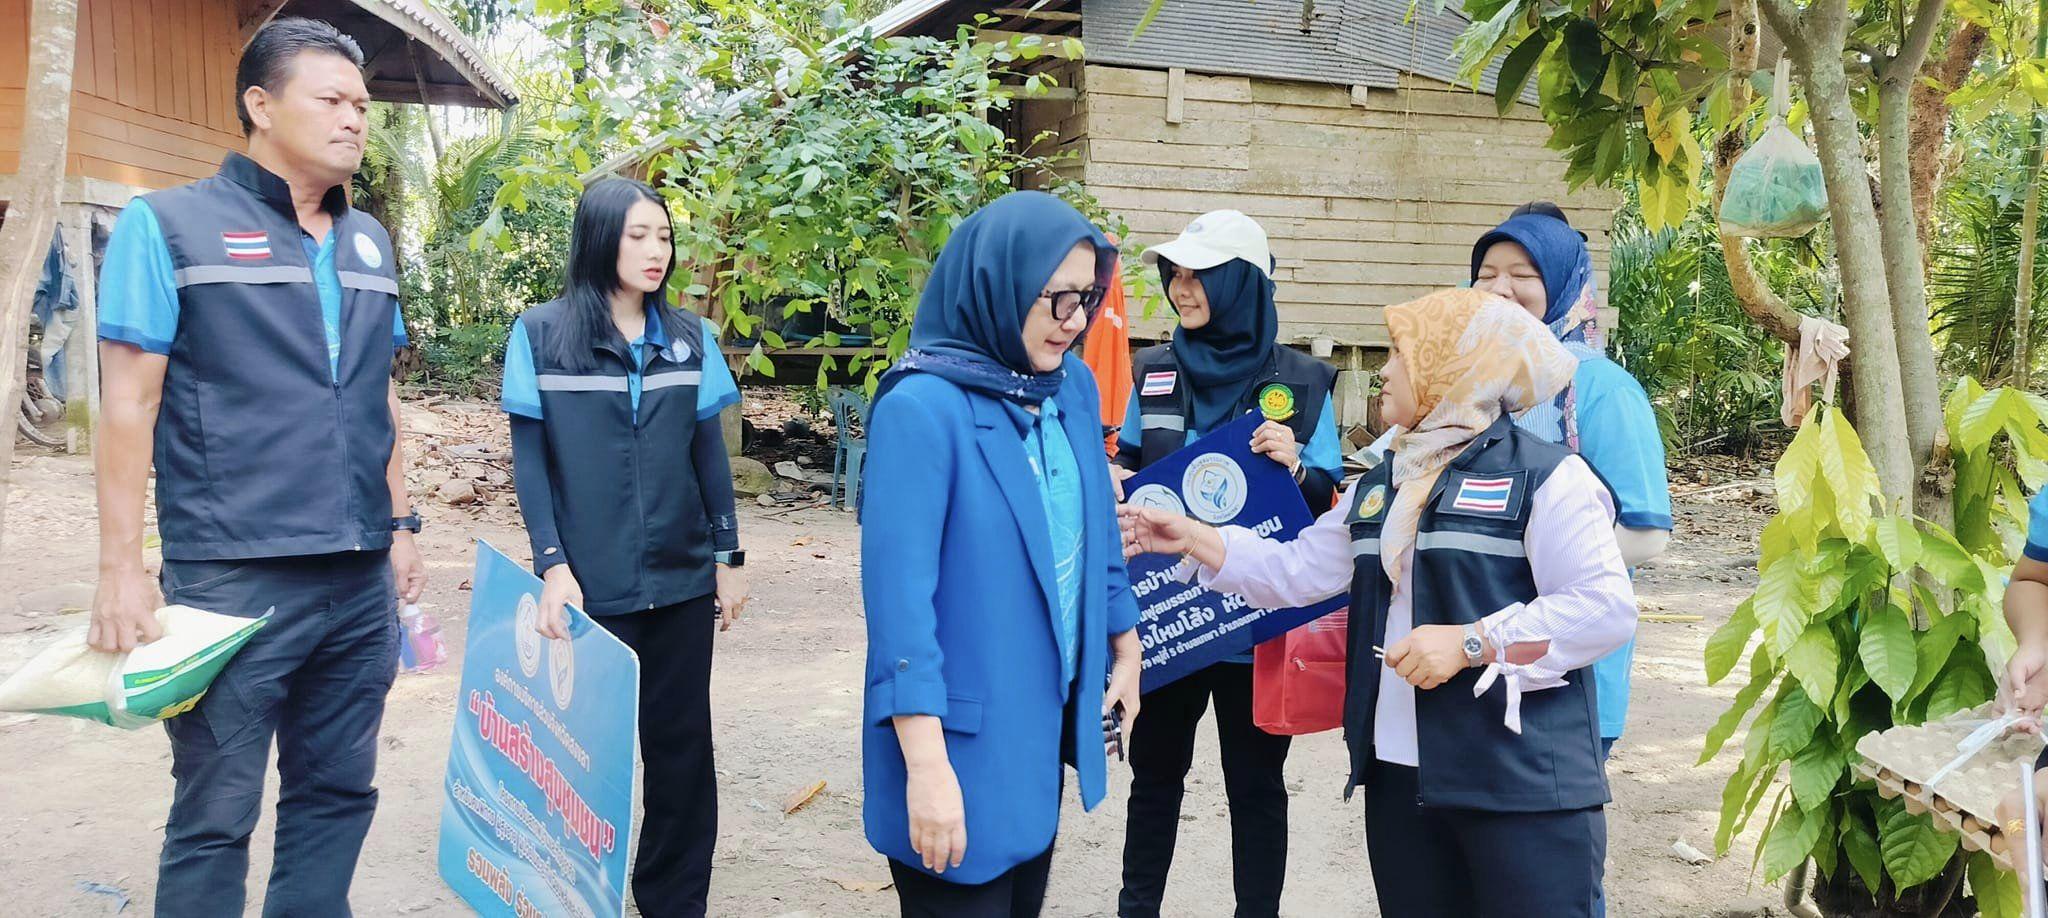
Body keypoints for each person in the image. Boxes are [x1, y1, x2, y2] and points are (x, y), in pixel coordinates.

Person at [1121, 288, 1638, 918]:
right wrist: (1192, 537)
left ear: (1453, 368)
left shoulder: (1549, 477)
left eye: (1399, 354)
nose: (1384, 371)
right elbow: (1296, 571)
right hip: (1399, 775)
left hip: (1520, 782)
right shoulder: (1384, 481)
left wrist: (1474, 642)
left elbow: (1604, 606)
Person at [91, 19, 425, 916]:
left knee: (338, 793)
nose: (354, 119)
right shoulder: (168, 226)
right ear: (261, 105)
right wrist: (121, 570)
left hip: (357, 578)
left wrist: (400, 525)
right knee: (216, 809)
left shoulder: (369, 242)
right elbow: (128, 405)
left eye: (363, 105)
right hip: (233, 576)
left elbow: (377, 395)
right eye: (332, 100)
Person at [860, 190, 1145, 918]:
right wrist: (927, 769)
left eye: (1087, 298)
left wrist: (1126, 642)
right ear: (999, 284)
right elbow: (900, 615)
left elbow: (1096, 522)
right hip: (955, 748)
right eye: (1058, 299)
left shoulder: (1069, 388)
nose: (1076, 321)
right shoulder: (922, 410)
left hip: (1035, 738)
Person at [501, 177, 748, 917]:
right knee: (580, 755)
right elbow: (531, 464)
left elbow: (708, 455)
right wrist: (553, 566)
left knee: (681, 750)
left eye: (663, 236)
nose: (655, 250)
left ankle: (673, 898)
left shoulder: (691, 338)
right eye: (638, 235)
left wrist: (727, 558)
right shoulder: (540, 335)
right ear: (600, 237)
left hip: (680, 580)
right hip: (589, 587)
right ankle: (572, 894)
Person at [1112, 209, 1343, 918]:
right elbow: (1127, 464)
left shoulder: (1303, 382)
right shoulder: (1152, 369)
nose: (1181, 289)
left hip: (1255, 626)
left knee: (1256, 785)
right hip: (1169, 620)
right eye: (1175, 274)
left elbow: (1326, 499)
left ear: (1240, 284)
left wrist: (1295, 464)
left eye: (1199, 276)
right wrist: (1111, 482)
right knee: (1154, 776)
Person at [1472, 201, 1673, 761]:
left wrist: (1519, 574)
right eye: (1486, 274)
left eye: (1522, 275)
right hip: (1470, 653)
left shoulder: (1602, 388)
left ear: (1562, 286)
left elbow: (1646, 533)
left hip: (1565, 668)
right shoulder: (1465, 384)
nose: (1500, 289)